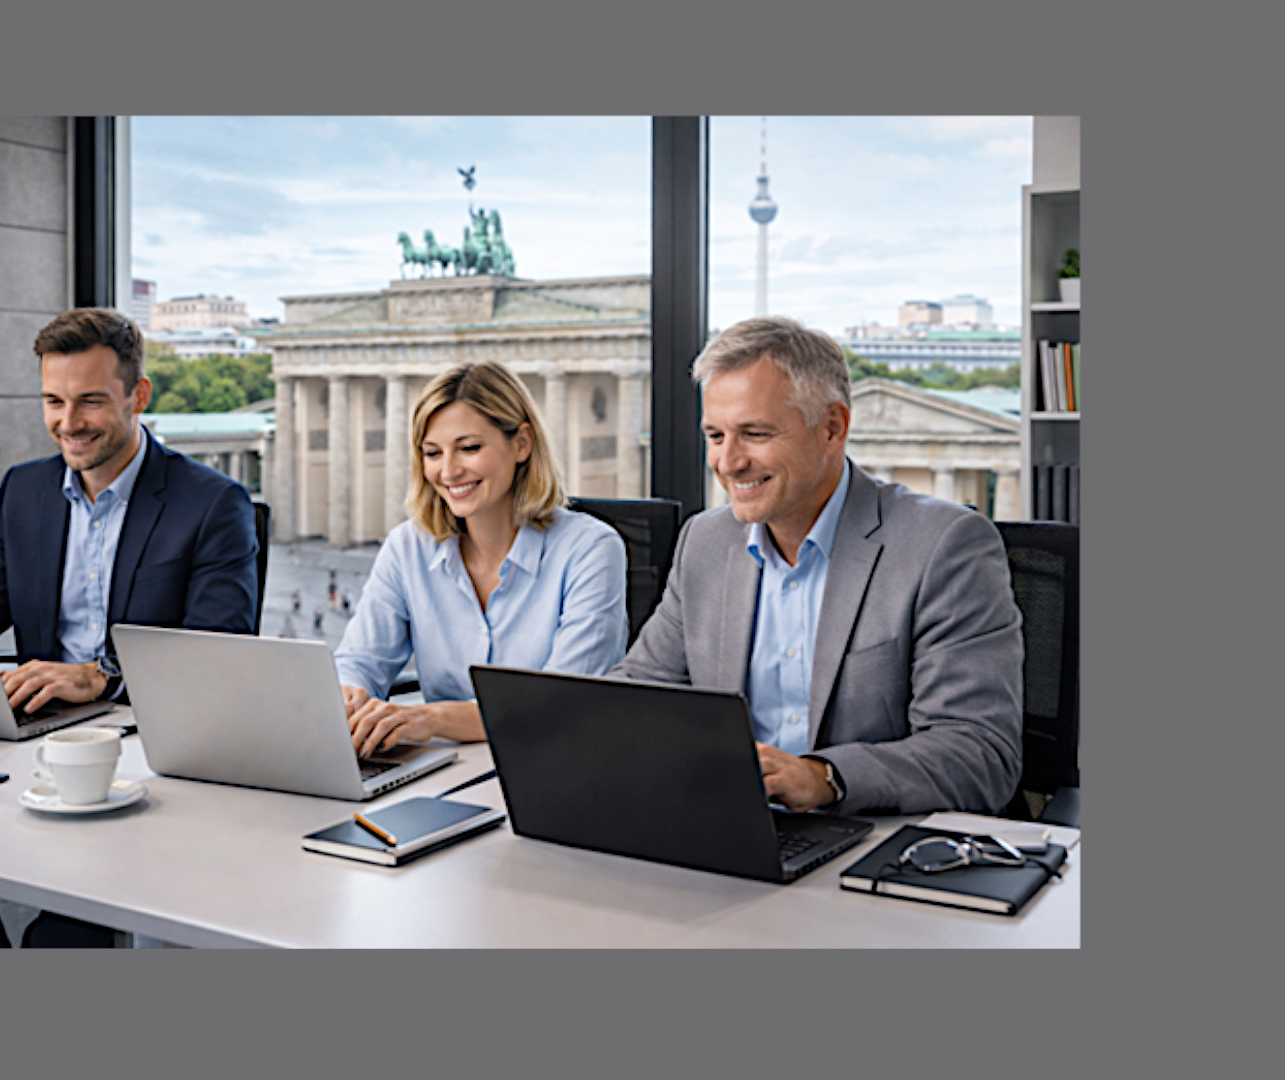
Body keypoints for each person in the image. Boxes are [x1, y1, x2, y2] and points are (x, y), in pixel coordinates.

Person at [0, 307, 259, 948]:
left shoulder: (211, 504)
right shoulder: (25, 491)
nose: (68, 424)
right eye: (53, 401)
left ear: (138, 395)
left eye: (91, 401)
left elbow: (219, 659)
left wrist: (102, 678)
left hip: (144, 748)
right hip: (34, 737)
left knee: (64, 936)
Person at [610, 316, 1023, 815]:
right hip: (726, 828)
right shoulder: (705, 541)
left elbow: (979, 754)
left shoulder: (943, 545)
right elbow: (636, 696)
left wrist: (825, 778)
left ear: (832, 428)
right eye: (715, 436)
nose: (728, 461)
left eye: (755, 433)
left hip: (870, 840)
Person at [337, 361, 628, 756]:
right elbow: (359, 660)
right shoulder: (407, 547)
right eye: (432, 453)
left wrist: (432, 719)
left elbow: (561, 704)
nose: (449, 471)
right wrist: (350, 694)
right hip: (444, 766)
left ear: (522, 443)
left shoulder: (590, 549)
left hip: (554, 763)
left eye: (469, 448)